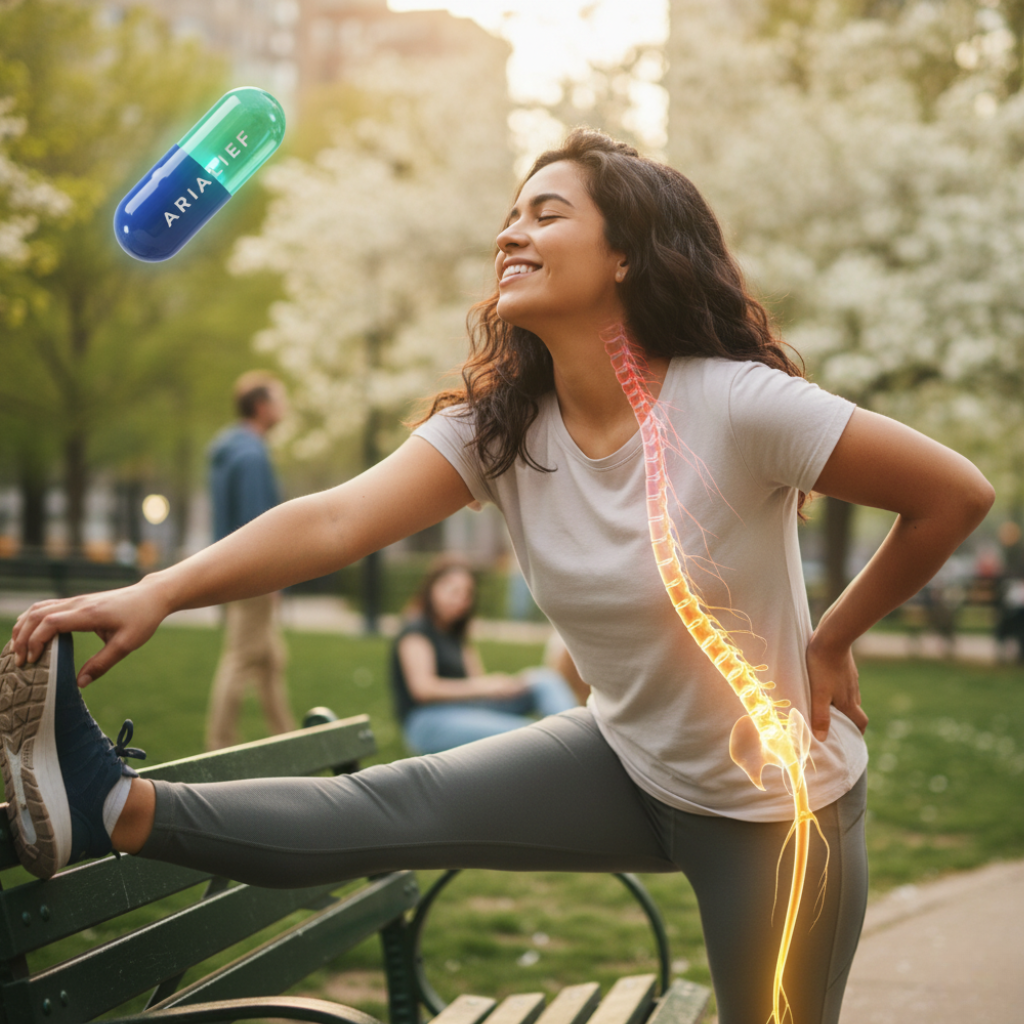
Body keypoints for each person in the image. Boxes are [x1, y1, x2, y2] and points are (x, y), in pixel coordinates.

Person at [1, 130, 993, 1024]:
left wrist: (832, 638)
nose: (510, 232)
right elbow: (337, 517)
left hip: (775, 815)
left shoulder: (736, 405)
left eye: (546, 213)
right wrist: (158, 590)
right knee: (384, 808)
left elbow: (951, 495)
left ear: (625, 254)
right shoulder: (505, 426)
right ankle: (115, 809)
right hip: (625, 762)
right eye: (510, 214)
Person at [391, 558, 579, 754]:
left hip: (468, 709)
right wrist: (483, 686)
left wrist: (501, 687)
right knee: (530, 733)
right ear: (431, 589)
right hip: (428, 721)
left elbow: (477, 682)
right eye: (453, 591)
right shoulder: (416, 631)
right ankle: (574, 748)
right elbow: (424, 689)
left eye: (467, 594)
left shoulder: (455, 633)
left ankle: (578, 735)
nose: (461, 600)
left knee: (544, 679)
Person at [205, 370, 294, 749]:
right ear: (261, 407)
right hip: (252, 571)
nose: (284, 407)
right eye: (279, 399)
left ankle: (288, 737)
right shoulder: (252, 455)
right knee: (241, 658)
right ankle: (219, 743)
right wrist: (271, 578)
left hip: (232, 566)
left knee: (271, 658)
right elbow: (259, 524)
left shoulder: (230, 451)